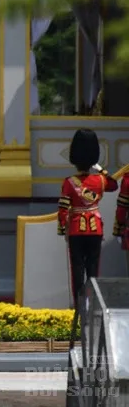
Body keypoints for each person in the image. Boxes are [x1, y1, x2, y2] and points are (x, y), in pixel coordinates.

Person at [59, 129, 118, 307]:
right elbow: (114, 185)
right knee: (93, 270)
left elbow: (62, 209)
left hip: (76, 229)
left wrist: (63, 228)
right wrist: (100, 168)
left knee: (77, 269)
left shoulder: (69, 182)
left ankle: (79, 304)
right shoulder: (100, 181)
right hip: (95, 229)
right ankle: (92, 303)